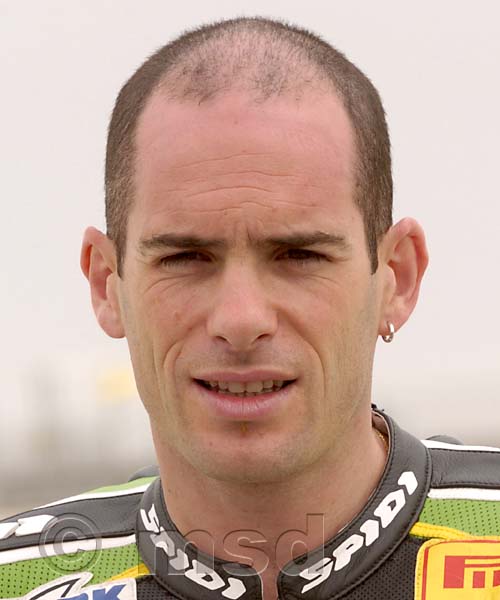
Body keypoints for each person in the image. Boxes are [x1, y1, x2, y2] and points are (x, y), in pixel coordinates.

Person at [1, 16, 499, 600]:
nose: (241, 320)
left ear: (397, 277)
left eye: (299, 255)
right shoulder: (21, 579)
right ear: (106, 284)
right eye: (186, 257)